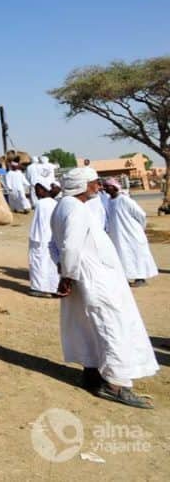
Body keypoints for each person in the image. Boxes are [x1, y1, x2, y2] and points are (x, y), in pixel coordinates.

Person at [50, 167, 158, 409]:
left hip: (83, 274)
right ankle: (116, 385)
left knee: (89, 325)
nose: (98, 187)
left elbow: (54, 246)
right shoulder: (74, 208)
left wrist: (65, 271)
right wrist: (67, 275)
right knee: (111, 324)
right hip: (93, 277)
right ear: (82, 185)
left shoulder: (64, 206)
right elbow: (70, 246)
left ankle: (91, 374)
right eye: (93, 183)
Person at [104, 179, 158, 287]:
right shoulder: (109, 201)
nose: (105, 188)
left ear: (114, 187)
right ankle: (126, 278)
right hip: (119, 236)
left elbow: (141, 214)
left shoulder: (124, 200)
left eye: (107, 186)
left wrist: (140, 228)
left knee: (137, 254)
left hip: (132, 233)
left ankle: (141, 279)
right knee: (124, 255)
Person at [26, 183, 60, 296]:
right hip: (52, 238)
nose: (36, 192)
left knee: (38, 263)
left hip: (40, 239)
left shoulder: (41, 203)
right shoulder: (55, 203)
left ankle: (39, 288)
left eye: (38, 189)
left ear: (45, 190)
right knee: (51, 264)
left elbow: (38, 224)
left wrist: (35, 238)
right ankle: (54, 288)